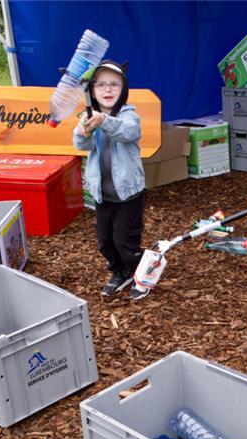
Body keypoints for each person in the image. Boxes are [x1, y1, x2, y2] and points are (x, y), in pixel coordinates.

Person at [73, 60, 149, 299]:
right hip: (102, 194)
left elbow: (129, 132)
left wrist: (103, 121)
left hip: (128, 194)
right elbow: (81, 144)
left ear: (123, 89)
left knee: (125, 241)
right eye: (102, 85)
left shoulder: (129, 115)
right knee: (105, 242)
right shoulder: (89, 116)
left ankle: (142, 274)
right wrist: (83, 130)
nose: (108, 90)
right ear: (92, 92)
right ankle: (120, 272)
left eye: (114, 85)